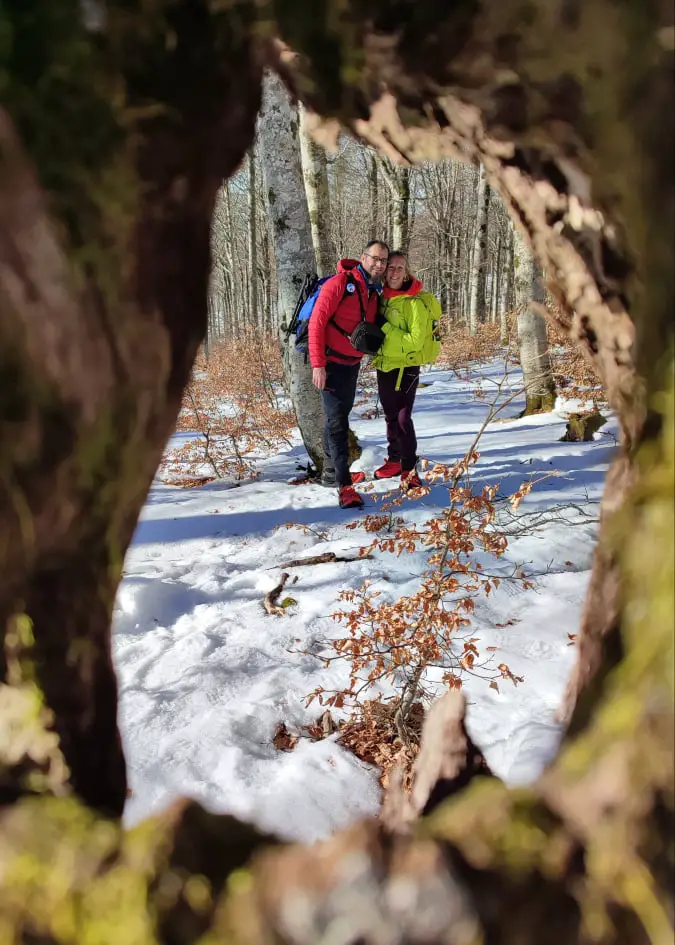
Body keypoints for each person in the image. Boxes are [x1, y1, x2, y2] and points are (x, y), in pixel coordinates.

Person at [309, 240, 389, 509]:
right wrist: (318, 364)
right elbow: (317, 322)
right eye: (375, 258)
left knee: (339, 417)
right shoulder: (340, 284)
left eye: (383, 261)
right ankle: (345, 485)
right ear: (363, 257)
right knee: (337, 423)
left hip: (351, 364)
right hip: (330, 363)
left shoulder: (374, 290)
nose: (379, 264)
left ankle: (331, 472)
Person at [372, 250, 442, 489]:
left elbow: (414, 341)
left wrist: (384, 329)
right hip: (385, 365)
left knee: (403, 418)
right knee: (390, 416)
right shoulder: (382, 297)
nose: (394, 272)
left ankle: (409, 470)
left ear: (407, 272)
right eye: (390, 267)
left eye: (399, 268)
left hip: (407, 367)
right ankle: (394, 460)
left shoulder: (414, 302)